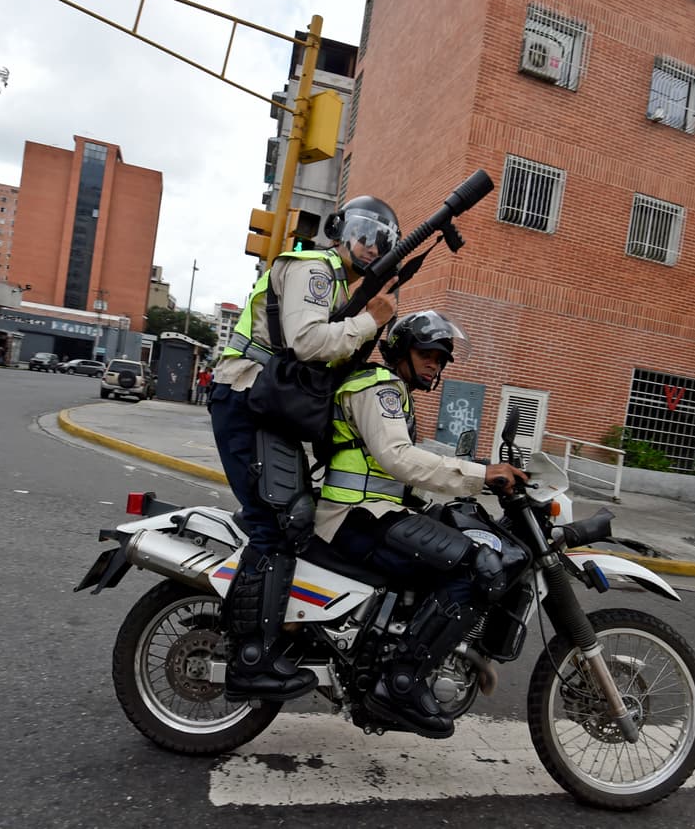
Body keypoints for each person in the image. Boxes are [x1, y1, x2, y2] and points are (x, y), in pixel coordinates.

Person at [210, 196, 401, 702]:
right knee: (272, 528)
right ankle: (251, 660)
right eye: (363, 232)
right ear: (339, 231)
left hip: (263, 405)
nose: (369, 244)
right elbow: (308, 342)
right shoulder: (315, 268)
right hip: (244, 396)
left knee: (291, 520)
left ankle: (270, 636)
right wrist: (372, 319)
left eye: (381, 239)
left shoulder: (338, 284)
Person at [315, 310, 529, 738]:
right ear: (400, 351)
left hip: (371, 514)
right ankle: (401, 682)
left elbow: (396, 468)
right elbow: (399, 458)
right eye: (427, 353)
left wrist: (465, 489)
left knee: (455, 541)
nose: (436, 363)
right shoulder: (380, 389)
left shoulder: (391, 392)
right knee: (474, 566)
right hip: (356, 518)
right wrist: (479, 473)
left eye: (442, 357)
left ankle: (413, 651)